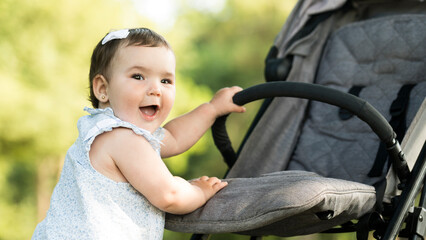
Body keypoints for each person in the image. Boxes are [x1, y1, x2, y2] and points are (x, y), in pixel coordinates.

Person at [32, 28, 246, 239]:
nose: (156, 89)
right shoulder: (121, 138)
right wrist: (200, 191)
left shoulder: (111, 132)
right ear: (103, 89)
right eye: (138, 76)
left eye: (165, 81)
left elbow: (174, 137)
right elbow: (169, 195)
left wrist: (212, 109)